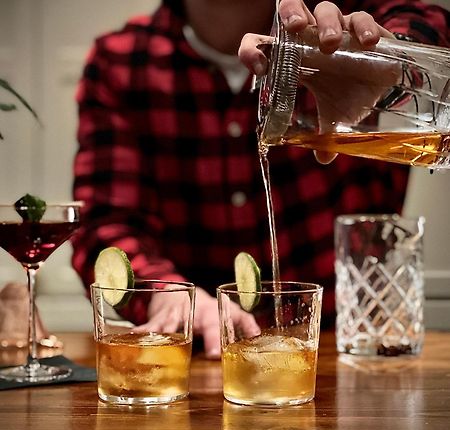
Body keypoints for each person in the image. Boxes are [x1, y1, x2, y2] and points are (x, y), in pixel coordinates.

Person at [72, 0, 449, 358]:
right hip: (201, 359)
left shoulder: (333, 34)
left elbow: (424, 18)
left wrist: (394, 59)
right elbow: (105, 226)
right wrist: (164, 293)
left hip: (348, 353)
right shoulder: (121, 61)